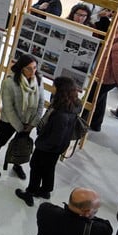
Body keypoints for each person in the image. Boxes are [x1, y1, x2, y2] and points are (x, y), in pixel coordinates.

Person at [16, 77, 81, 207]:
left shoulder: (60, 114)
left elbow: (55, 136)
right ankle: (46, 190)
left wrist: (42, 143)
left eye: (55, 88)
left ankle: (30, 193)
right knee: (49, 168)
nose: (53, 90)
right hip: (58, 147)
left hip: (48, 147)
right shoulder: (73, 106)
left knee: (36, 167)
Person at [0, 54, 44, 180]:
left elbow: (41, 103)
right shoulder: (9, 83)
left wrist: (32, 123)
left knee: (21, 144)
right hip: (10, 121)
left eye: (34, 68)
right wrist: (19, 127)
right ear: (21, 68)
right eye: (29, 68)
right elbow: (8, 108)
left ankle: (17, 165)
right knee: (0, 141)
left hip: (28, 122)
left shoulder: (38, 80)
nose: (32, 71)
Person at [89, 20, 118, 132]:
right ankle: (96, 124)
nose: (112, 33)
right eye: (111, 30)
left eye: (116, 32)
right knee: (100, 100)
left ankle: (83, 122)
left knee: (91, 99)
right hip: (103, 76)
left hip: (105, 79)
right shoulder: (113, 41)